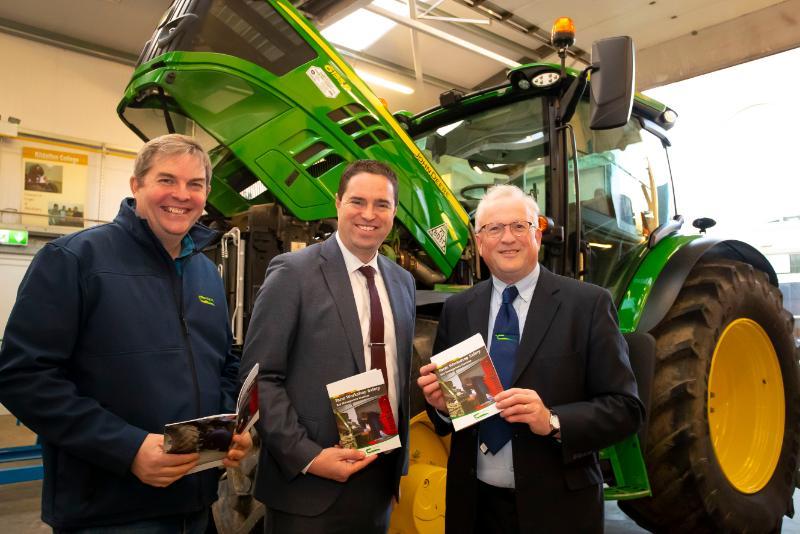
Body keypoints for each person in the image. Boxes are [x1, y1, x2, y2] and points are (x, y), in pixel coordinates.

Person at [0, 134, 252, 533]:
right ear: (136, 185)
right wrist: (127, 448)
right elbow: (23, 376)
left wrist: (224, 434)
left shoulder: (205, 272)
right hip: (109, 512)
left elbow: (222, 363)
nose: (181, 195)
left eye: (195, 184)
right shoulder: (75, 259)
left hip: (195, 503)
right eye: (166, 180)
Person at [418, 184, 644, 533]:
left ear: (537, 232)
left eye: (519, 226)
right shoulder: (458, 309)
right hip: (475, 508)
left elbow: (626, 409)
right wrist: (442, 409)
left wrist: (552, 420)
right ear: (480, 243)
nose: (507, 238)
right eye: (494, 228)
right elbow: (452, 416)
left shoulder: (588, 305)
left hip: (558, 509)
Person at [241, 159, 416, 534]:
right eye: (357, 201)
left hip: (379, 483)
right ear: (337, 202)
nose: (369, 214)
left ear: (394, 212)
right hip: (309, 490)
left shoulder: (403, 282)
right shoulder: (293, 272)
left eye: (382, 204)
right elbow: (261, 378)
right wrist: (310, 457)